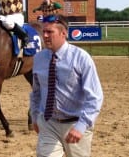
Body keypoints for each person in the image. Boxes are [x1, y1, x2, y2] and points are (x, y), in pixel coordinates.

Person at [30, 14, 103, 157]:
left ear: (63, 33)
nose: (44, 35)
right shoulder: (38, 58)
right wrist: (35, 116)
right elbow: (36, 92)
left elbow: (95, 97)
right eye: (43, 31)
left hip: (75, 124)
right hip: (48, 123)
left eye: (49, 32)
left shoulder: (81, 58)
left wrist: (81, 126)